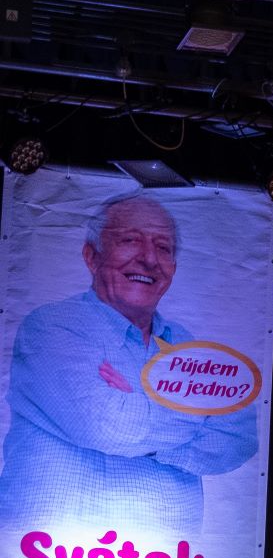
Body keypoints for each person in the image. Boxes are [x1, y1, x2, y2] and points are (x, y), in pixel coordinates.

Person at [0, 192, 258, 536]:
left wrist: (134, 401)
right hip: (50, 555)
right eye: (130, 240)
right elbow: (108, 426)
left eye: (163, 247)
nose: (149, 259)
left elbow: (239, 438)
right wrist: (199, 415)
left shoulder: (188, 346)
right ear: (92, 256)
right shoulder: (51, 327)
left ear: (174, 267)